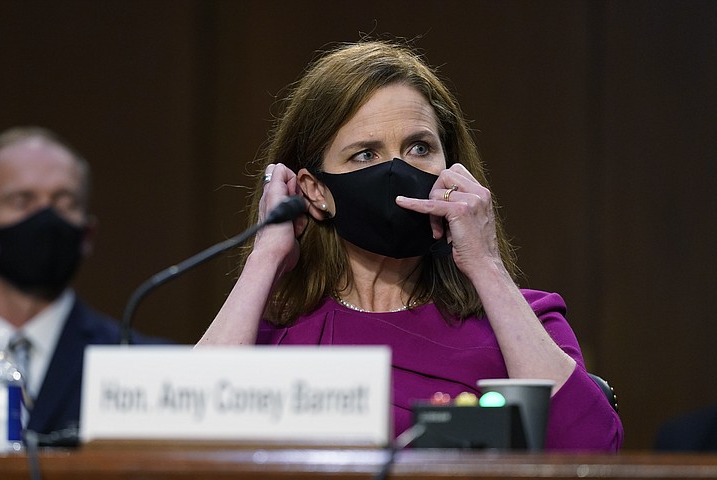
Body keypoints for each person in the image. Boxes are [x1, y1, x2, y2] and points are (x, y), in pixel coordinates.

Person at [199, 41, 623, 451]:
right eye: (365, 154)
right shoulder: (267, 336)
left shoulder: (523, 320)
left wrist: (487, 264)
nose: (396, 170)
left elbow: (589, 451)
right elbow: (183, 438)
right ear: (315, 192)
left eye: (420, 148)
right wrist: (266, 256)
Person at [0, 126, 162, 449]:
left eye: (64, 203)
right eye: (22, 201)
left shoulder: (143, 368)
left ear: (86, 235)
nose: (46, 218)